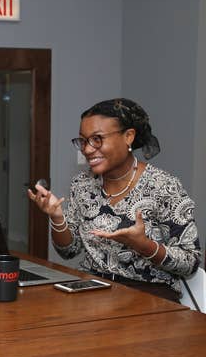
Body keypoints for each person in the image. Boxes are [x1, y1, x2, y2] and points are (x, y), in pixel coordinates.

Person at [28, 98, 201, 301]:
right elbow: (69, 251)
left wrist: (144, 245)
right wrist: (57, 217)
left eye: (97, 139)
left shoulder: (164, 186)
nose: (87, 149)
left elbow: (190, 262)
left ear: (128, 136)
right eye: (83, 141)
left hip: (149, 295)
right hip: (92, 289)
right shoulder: (82, 184)